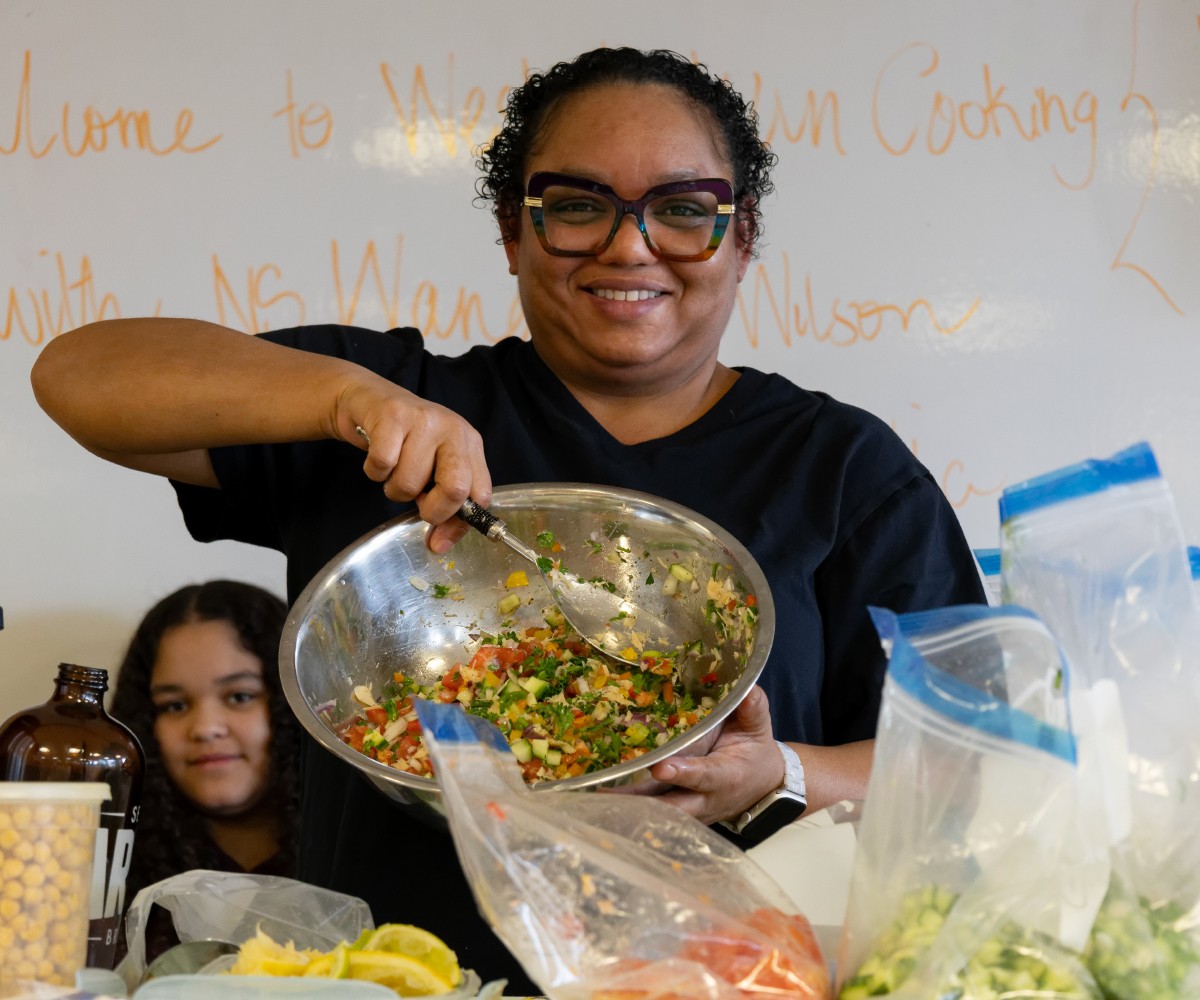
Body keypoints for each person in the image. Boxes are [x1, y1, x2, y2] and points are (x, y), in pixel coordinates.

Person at [32, 47, 985, 989]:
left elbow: (981, 766)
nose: (629, 246)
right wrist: (344, 401)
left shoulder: (845, 470)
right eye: (576, 206)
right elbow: (77, 377)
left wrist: (779, 770)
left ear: (740, 239)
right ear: (512, 232)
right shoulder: (393, 408)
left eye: (684, 211)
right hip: (396, 978)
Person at [109, 580, 298, 963]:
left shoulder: (351, 851)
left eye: (239, 697)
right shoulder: (106, 869)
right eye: (175, 706)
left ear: (293, 701)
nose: (205, 727)